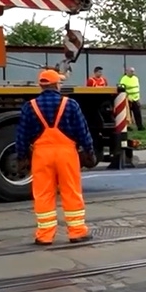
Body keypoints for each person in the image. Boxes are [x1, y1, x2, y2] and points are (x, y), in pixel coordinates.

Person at [15, 69, 98, 245]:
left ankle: (44, 235)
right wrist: (89, 150)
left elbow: (21, 135)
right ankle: (77, 232)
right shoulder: (71, 104)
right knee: (71, 191)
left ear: (41, 85)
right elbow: (82, 131)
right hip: (67, 154)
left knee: (43, 193)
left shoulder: (30, 106)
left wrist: (22, 156)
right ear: (56, 85)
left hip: (41, 155)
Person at [118, 66, 144, 130]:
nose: (133, 72)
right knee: (128, 114)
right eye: (131, 71)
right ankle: (128, 127)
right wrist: (128, 97)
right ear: (127, 71)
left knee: (137, 113)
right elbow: (122, 88)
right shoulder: (124, 79)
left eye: (133, 71)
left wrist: (137, 97)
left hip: (136, 99)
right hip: (128, 99)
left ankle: (140, 126)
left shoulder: (136, 78)